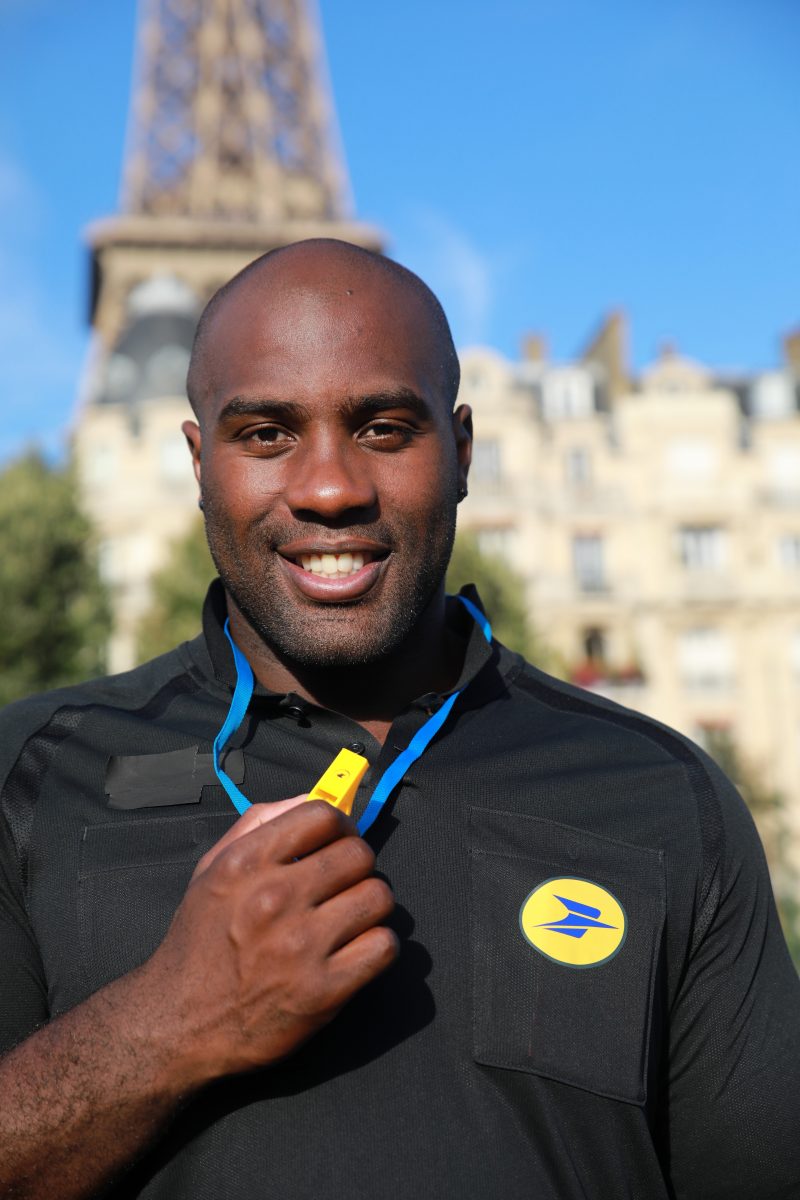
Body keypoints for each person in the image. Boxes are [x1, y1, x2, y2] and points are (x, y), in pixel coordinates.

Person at [0, 239, 798, 1200]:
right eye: (266, 434)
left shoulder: (667, 797)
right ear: (199, 460)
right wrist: (165, 1025)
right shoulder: (28, 775)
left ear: (462, 451)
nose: (330, 488)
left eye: (383, 429)